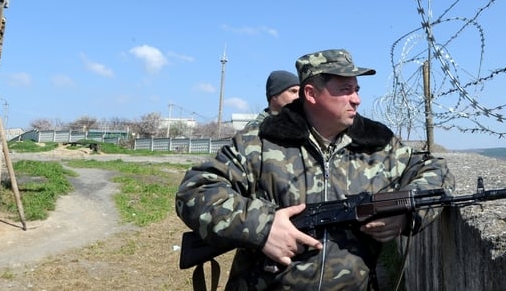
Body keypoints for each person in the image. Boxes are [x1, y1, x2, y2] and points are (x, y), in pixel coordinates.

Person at [175, 49, 453, 290]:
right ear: (311, 94)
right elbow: (195, 190)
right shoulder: (260, 142)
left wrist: (406, 214)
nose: (356, 99)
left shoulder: (378, 144)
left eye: (357, 89)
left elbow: (438, 172)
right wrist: (263, 227)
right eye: (345, 90)